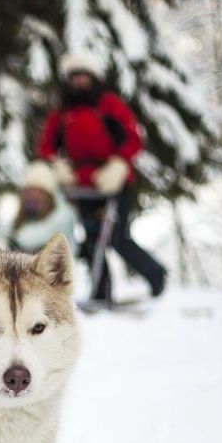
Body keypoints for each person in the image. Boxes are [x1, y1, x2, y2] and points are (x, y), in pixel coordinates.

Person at [28, 51, 166, 302]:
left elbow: (133, 139)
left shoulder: (110, 105)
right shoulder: (62, 114)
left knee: (116, 236)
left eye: (84, 76)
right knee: (92, 239)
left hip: (113, 182)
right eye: (75, 77)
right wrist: (57, 165)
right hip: (81, 186)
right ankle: (101, 292)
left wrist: (119, 164)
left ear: (93, 78)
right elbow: (47, 145)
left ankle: (156, 275)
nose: (79, 82)